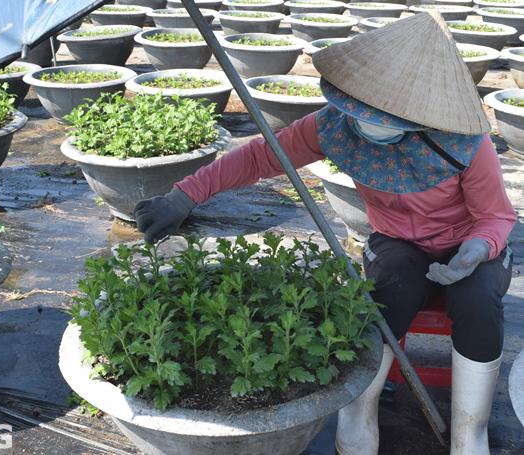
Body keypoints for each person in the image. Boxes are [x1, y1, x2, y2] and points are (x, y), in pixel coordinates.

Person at [133, 11, 515, 455]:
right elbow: (262, 156)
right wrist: (184, 196)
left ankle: (471, 430)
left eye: (388, 117)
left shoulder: (464, 143)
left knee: (478, 302)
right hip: (396, 241)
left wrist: (473, 250)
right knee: (388, 292)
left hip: (467, 241)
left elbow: (496, 217)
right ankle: (358, 412)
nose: (372, 122)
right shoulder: (336, 126)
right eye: (365, 109)